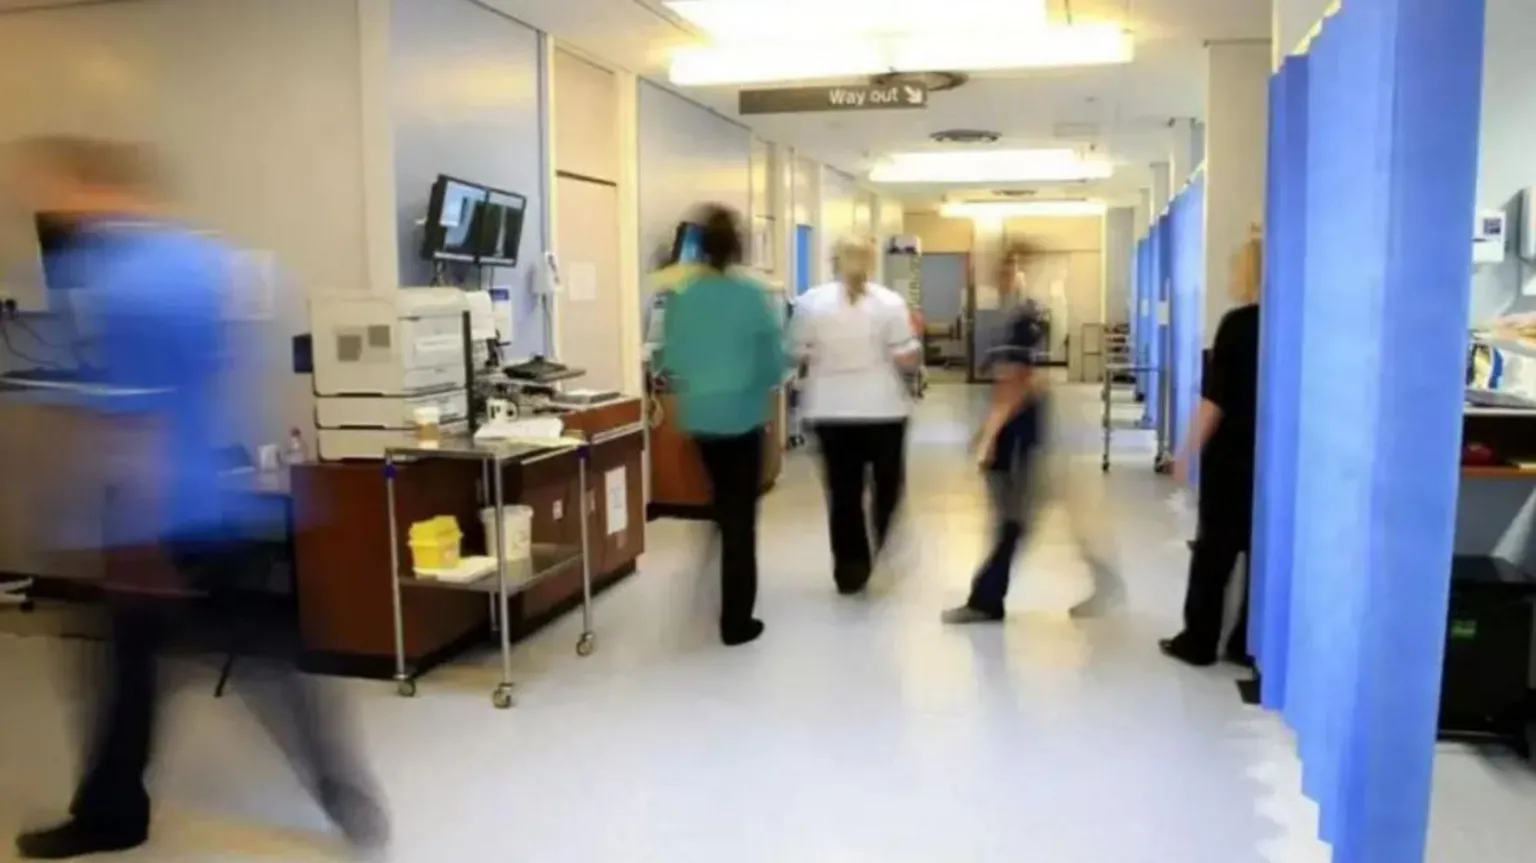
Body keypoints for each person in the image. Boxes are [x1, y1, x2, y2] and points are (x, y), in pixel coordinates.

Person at [6, 136, 385, 860]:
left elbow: (130, 415)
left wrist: (135, 541)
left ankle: (113, 813)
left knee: (129, 668)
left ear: (90, 190)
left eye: (53, 191)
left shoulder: (115, 283)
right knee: (255, 651)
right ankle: (343, 787)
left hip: (158, 511)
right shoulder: (205, 262)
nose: (45, 208)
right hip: (219, 490)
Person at [943, 247, 1124, 624]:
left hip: (1021, 431)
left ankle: (986, 599)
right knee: (1034, 512)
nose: (1003, 274)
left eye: (1011, 267)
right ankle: (1100, 578)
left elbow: (1015, 384)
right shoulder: (1012, 316)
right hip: (1027, 426)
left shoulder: (1021, 318)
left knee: (1014, 517)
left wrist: (988, 436)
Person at [660, 204, 786, 646]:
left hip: (699, 419)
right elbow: (772, 362)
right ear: (736, 249)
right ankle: (736, 623)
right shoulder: (750, 295)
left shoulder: (683, 295)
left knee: (722, 504)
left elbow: (669, 358)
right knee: (740, 521)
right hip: (741, 417)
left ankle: (706, 580)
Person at [792, 236, 921, 595]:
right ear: (871, 261)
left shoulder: (810, 303)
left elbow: (794, 352)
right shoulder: (890, 303)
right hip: (883, 411)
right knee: (887, 489)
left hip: (830, 412)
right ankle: (881, 539)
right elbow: (906, 358)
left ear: (834, 261)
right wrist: (912, 350)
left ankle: (851, 570)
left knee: (843, 494)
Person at [1160, 243, 1262, 667]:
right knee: (1262, 553)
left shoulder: (1238, 325)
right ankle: (1246, 642)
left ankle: (1199, 640)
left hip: (1233, 458)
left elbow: (1213, 402)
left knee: (1214, 554)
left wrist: (1185, 453)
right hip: (1275, 459)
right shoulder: (1293, 323)